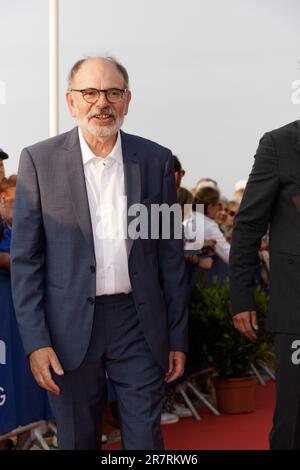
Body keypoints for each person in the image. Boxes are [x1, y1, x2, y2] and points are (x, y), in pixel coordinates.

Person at [11, 56, 188, 450]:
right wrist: (36, 343)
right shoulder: (39, 162)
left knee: (145, 439)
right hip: (67, 330)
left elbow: (168, 258)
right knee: (77, 439)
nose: (101, 102)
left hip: (138, 324)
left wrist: (177, 336)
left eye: (112, 92)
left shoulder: (155, 161)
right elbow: (26, 261)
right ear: (72, 102)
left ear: (127, 100)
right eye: (89, 92)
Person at [229, 120, 300, 449]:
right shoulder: (280, 144)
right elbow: (247, 226)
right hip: (296, 309)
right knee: (294, 419)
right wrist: (242, 297)